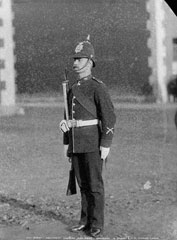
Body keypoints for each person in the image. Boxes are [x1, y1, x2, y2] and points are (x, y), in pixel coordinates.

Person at [60, 36, 116, 238]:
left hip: (93, 142)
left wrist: (106, 143)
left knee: (94, 185)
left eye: (80, 59)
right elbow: (67, 116)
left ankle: (97, 223)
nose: (75, 63)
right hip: (77, 142)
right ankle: (84, 220)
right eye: (74, 59)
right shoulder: (73, 88)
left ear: (90, 62)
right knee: (82, 184)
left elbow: (109, 116)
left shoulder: (98, 87)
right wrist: (67, 143)